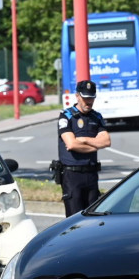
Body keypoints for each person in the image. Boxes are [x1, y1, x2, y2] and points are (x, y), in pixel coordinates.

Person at [54, 79, 111, 216]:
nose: (88, 102)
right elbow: (72, 144)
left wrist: (84, 140)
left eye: (91, 98)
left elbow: (106, 141)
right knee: (74, 219)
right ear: (77, 96)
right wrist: (95, 144)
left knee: (93, 217)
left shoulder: (96, 117)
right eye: (85, 98)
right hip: (72, 176)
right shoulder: (66, 116)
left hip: (91, 174)